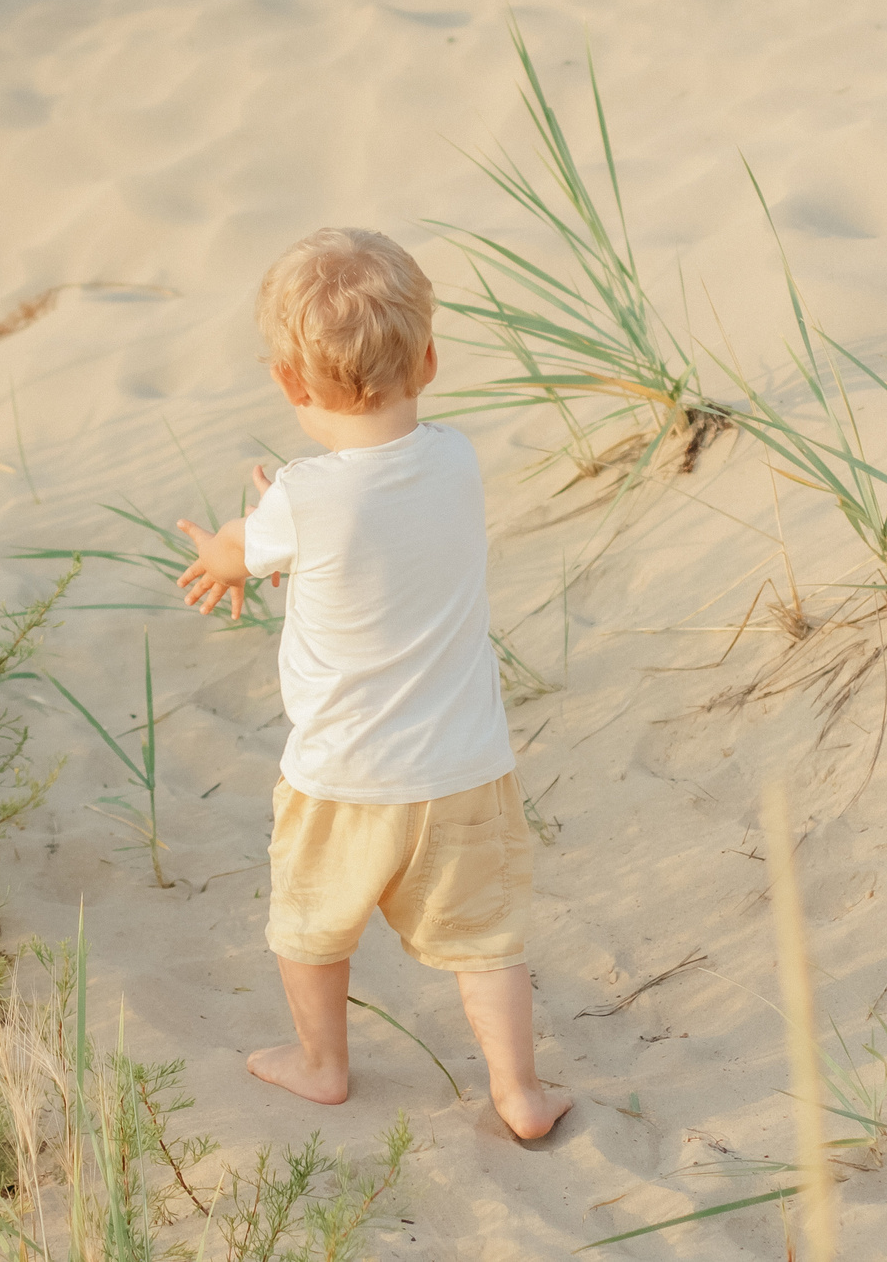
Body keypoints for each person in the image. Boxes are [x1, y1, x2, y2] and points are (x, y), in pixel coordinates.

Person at [174, 226, 571, 1143]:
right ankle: (518, 1089)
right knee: (485, 938)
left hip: (341, 778)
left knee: (310, 928)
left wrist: (229, 555)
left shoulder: (300, 498)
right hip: (464, 771)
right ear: (429, 358)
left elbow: (247, 544)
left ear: (289, 384)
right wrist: (295, 520)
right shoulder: (457, 459)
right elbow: (379, 533)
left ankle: (322, 1064)